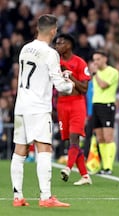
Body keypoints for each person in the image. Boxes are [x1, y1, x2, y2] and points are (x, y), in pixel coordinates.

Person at [10, 14, 73, 207]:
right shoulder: (50, 53)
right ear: (53, 30)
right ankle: (46, 197)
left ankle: (17, 196)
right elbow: (61, 86)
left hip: (21, 105)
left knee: (19, 150)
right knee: (44, 148)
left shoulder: (25, 48)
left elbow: (33, 75)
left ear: (38, 28)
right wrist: (68, 82)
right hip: (38, 108)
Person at [55, 33, 92, 185]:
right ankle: (85, 176)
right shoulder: (54, 63)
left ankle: (68, 168)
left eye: (60, 43)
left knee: (74, 137)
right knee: (69, 140)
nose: (57, 46)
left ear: (69, 45)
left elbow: (84, 88)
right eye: (56, 44)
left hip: (77, 103)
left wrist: (70, 76)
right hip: (62, 103)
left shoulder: (80, 63)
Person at [91, 50, 119, 175]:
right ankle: (104, 166)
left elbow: (103, 85)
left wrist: (95, 74)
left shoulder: (112, 72)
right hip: (96, 105)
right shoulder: (95, 73)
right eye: (94, 59)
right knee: (100, 138)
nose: (95, 62)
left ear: (105, 59)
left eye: (98, 59)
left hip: (107, 105)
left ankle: (109, 167)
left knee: (108, 137)